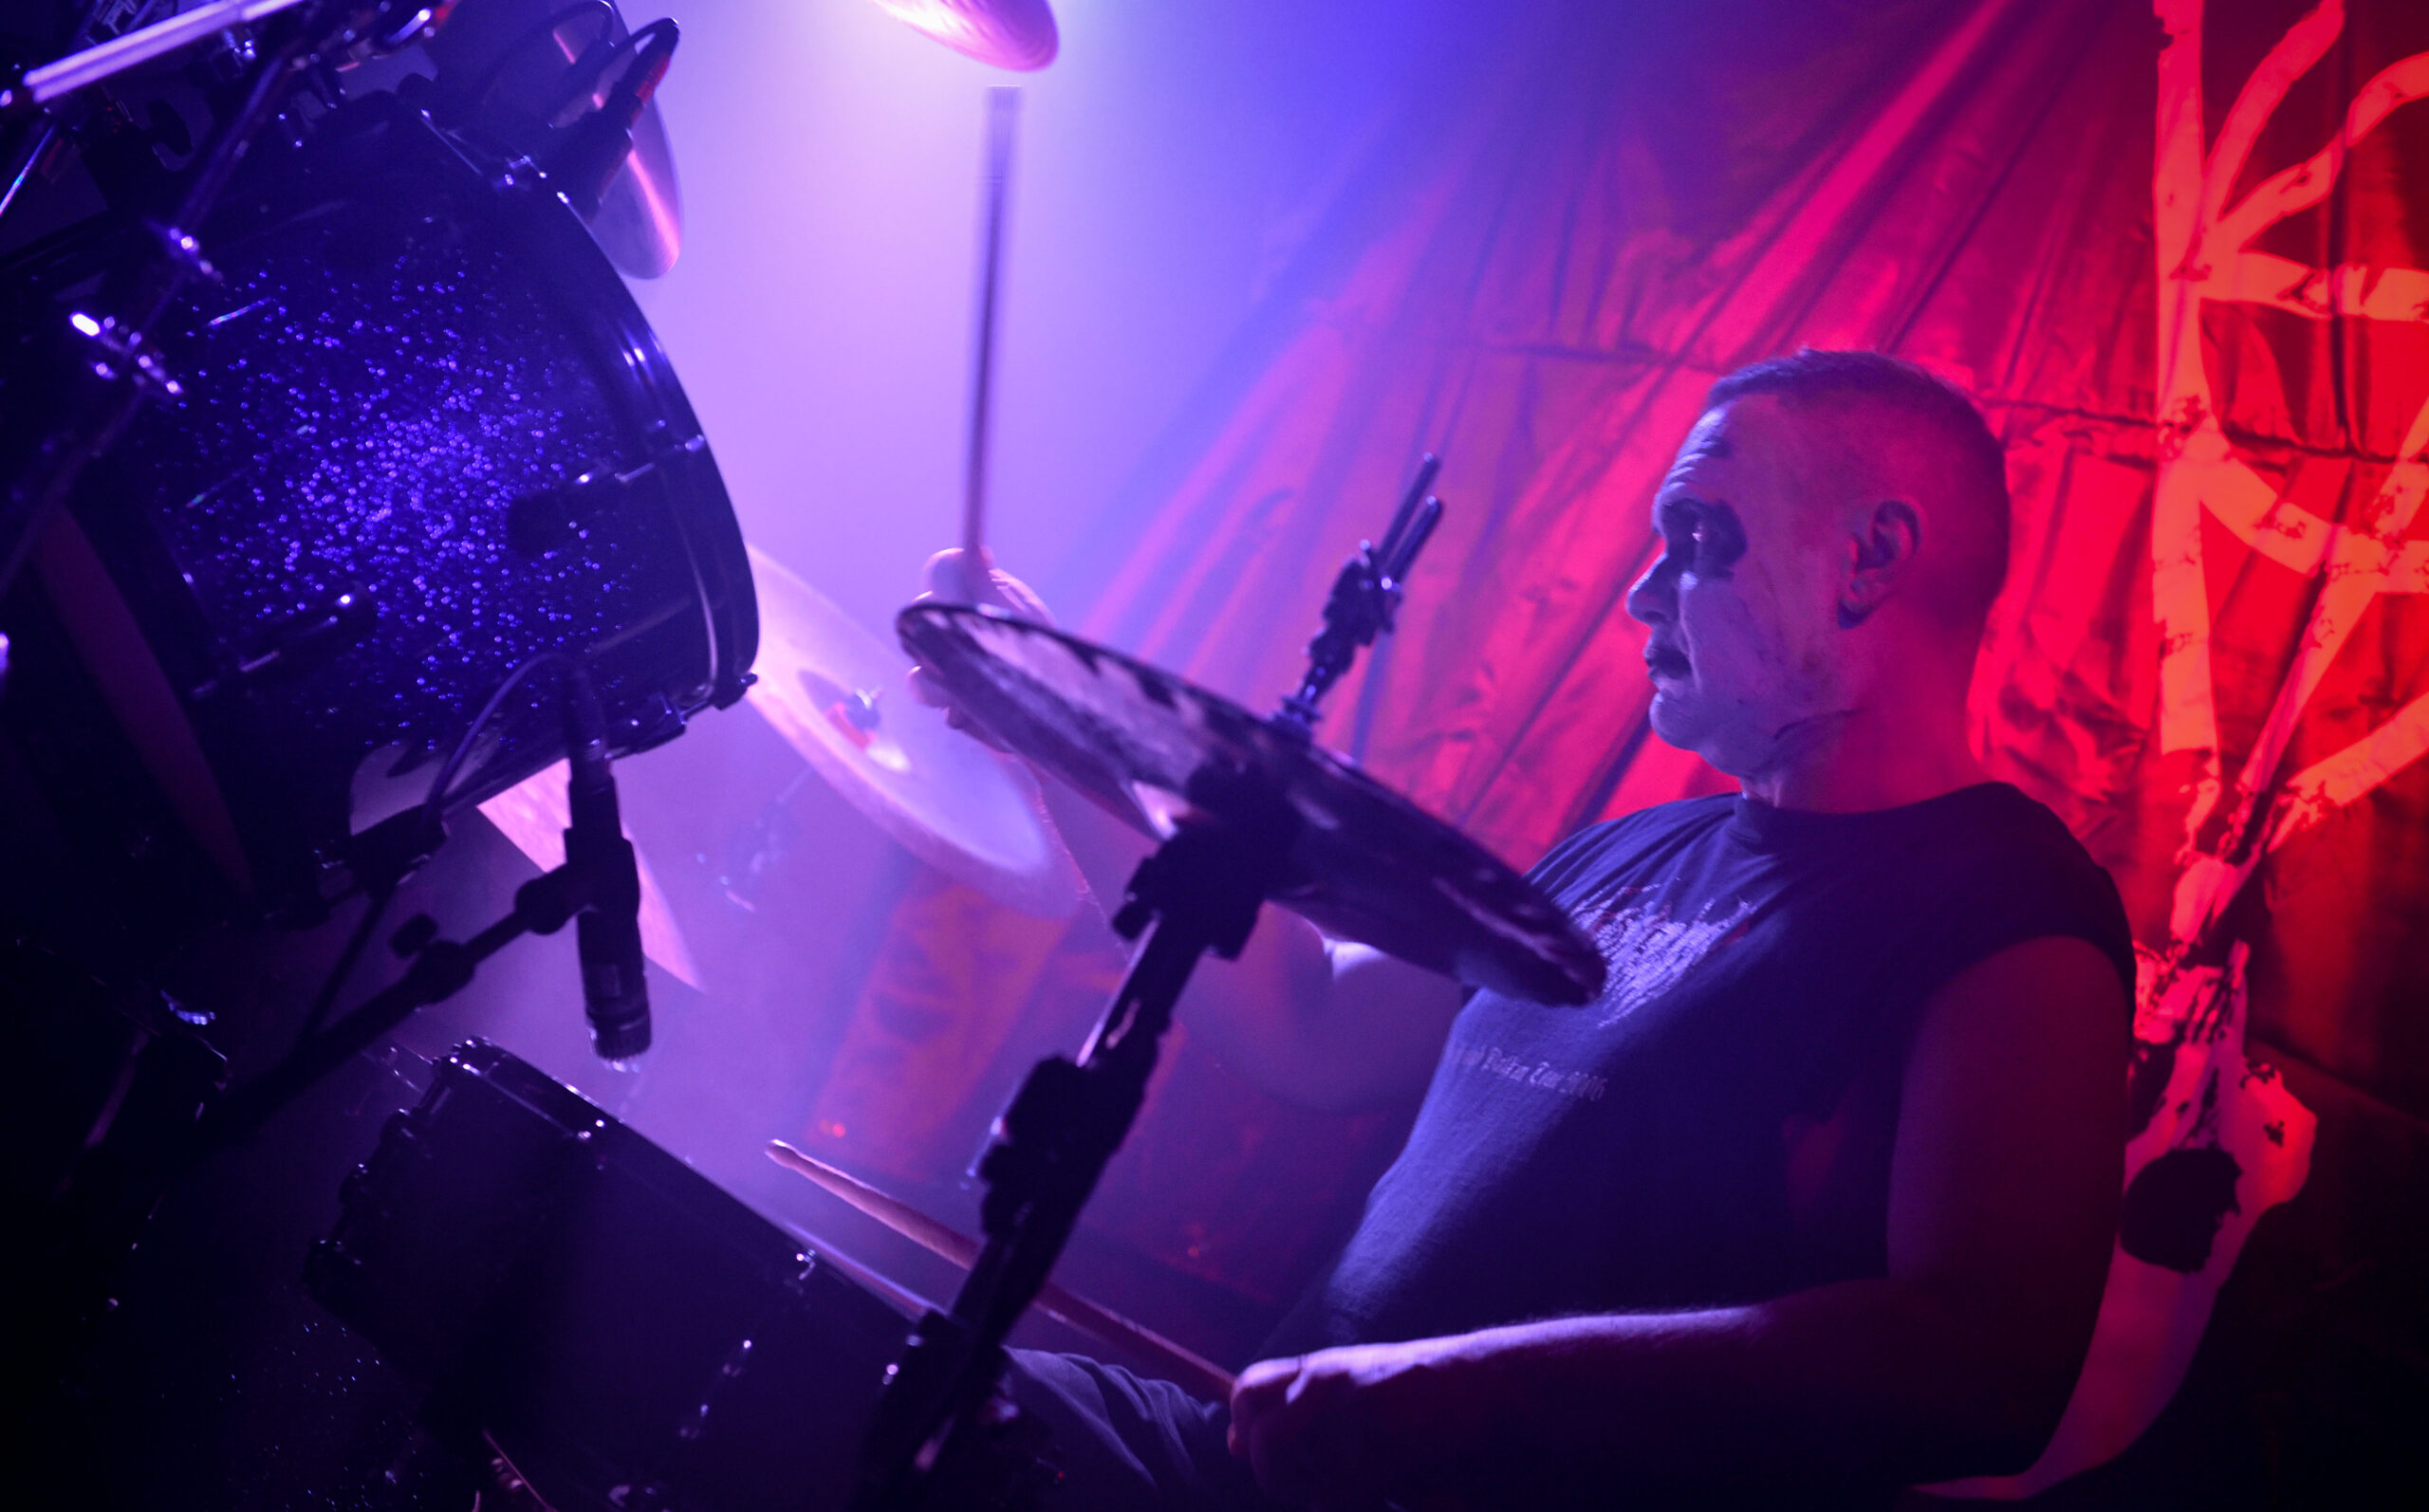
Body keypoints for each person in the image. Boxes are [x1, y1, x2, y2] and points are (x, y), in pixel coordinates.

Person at [918, 350, 2133, 1511]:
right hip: (1244, 1470)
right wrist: (1051, 724)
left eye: (1693, 535)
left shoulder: (2004, 903)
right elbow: (1308, 1019)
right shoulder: (1622, 853)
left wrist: (1442, 1391)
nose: (1640, 593)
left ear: (1866, 558)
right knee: (890, 1380)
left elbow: (1984, 1364)